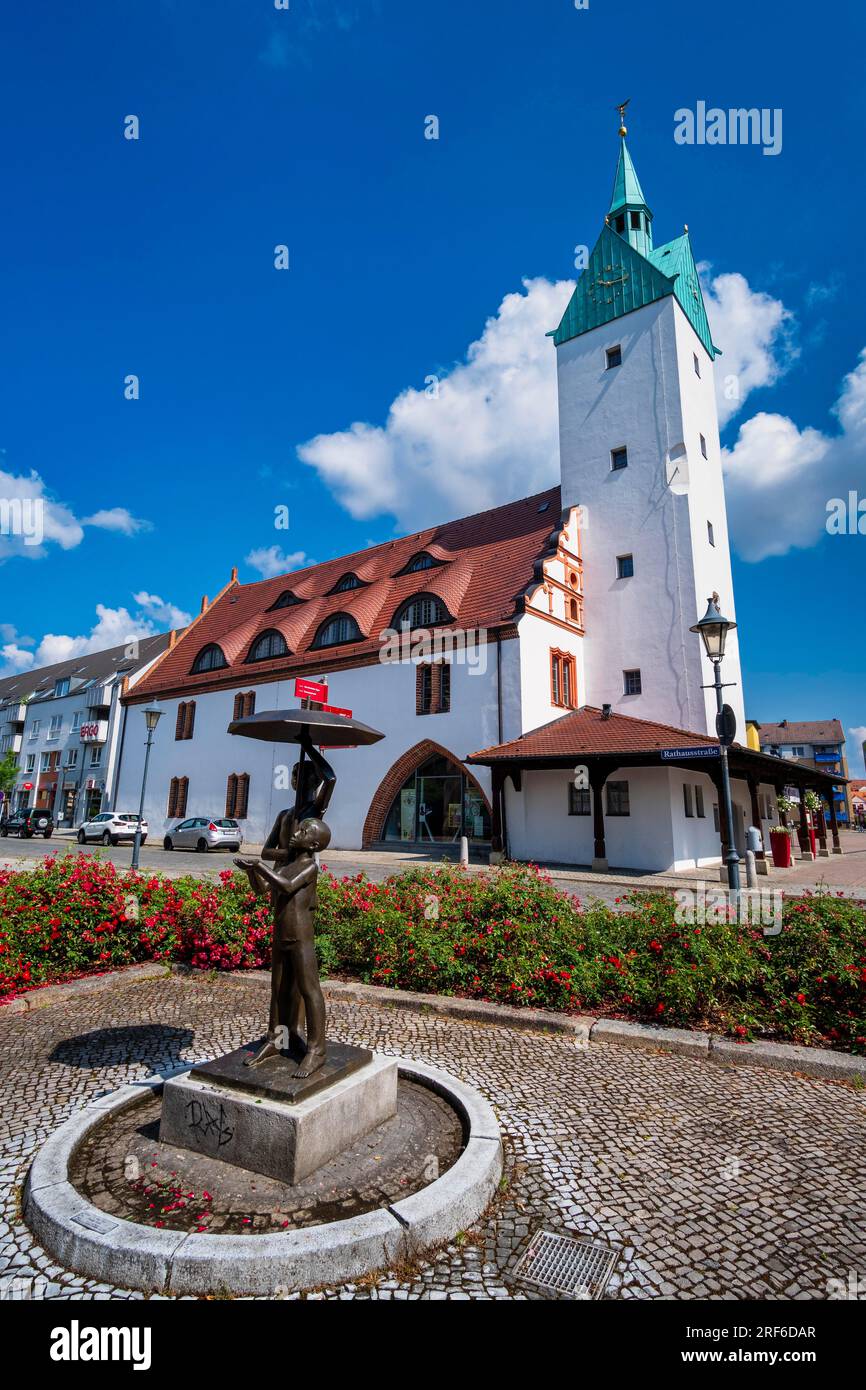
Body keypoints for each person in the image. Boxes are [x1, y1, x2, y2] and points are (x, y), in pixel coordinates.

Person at [235, 817, 332, 1078]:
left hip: (300, 935)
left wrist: (260, 865)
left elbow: (287, 886)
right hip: (281, 933)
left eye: (304, 831)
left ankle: (317, 1050)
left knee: (309, 989)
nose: (296, 832)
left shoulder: (310, 866)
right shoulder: (286, 863)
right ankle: (276, 1039)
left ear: (313, 844)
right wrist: (252, 872)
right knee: (277, 988)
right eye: (300, 827)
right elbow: (263, 888)